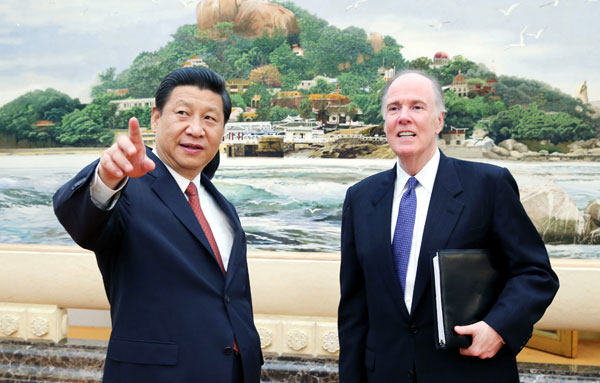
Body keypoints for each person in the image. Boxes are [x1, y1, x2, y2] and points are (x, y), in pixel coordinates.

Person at [337, 69, 559, 383]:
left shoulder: (487, 186)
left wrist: (497, 328)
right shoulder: (360, 199)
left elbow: (535, 273)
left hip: (467, 372)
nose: (404, 117)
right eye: (394, 108)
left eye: (417, 107)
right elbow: (353, 308)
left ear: (439, 120)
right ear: (385, 122)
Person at [54, 67, 262, 383]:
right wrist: (107, 177)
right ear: (155, 118)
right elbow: (79, 217)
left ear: (222, 130)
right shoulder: (127, 187)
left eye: (210, 118)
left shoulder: (223, 208)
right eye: (182, 113)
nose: (196, 129)